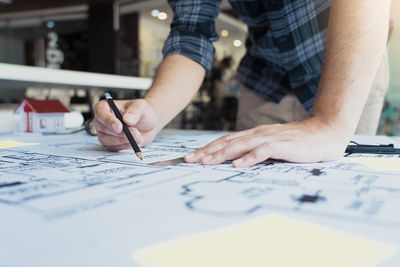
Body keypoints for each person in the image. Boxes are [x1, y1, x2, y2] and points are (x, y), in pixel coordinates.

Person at [93, 0, 391, 168]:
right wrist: (156, 108)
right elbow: (191, 34)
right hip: (264, 79)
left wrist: (330, 123)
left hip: (348, 68)